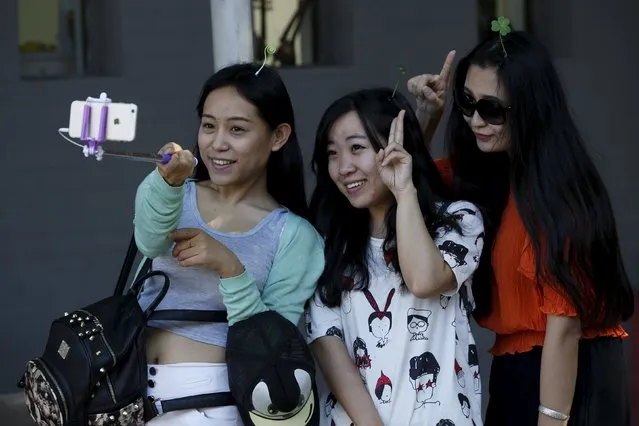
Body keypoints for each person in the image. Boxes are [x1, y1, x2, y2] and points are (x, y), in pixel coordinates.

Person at [407, 30, 634, 425]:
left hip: (571, 371)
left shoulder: (561, 193)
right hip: (516, 368)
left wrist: (551, 419)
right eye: (467, 102)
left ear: (529, 108)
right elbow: (409, 186)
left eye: (492, 109)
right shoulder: (484, 171)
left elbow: (563, 329)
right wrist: (428, 117)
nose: (475, 119)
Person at [133, 63, 325, 425]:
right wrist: (166, 184)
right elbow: (149, 240)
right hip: (128, 395)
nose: (217, 143)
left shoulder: (296, 236)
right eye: (208, 125)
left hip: (210, 405)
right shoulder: (171, 191)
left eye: (237, 129)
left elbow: (271, 346)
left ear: (278, 136)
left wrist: (231, 268)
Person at [305, 88, 486, 426]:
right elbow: (327, 345)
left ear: (395, 150)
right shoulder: (325, 244)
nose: (343, 167)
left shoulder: (459, 222)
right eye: (332, 153)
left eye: (357, 148)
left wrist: (403, 190)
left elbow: (424, 280)